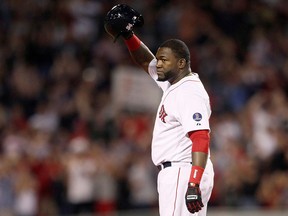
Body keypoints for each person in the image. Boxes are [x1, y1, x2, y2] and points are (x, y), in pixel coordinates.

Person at [104, 4, 214, 216]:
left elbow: (201, 136)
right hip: (179, 171)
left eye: (164, 60)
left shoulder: (189, 91)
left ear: (181, 63)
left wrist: (193, 183)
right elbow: (146, 60)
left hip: (184, 171)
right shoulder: (173, 83)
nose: (159, 64)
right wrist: (129, 36)